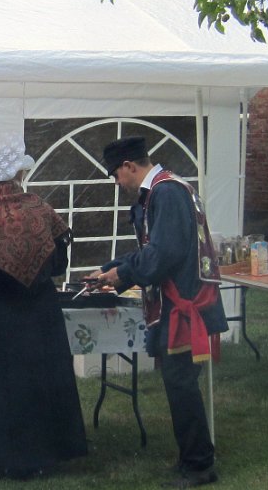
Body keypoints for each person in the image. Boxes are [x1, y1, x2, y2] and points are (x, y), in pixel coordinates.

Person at [94, 136, 228, 489]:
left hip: (184, 305)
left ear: (129, 166)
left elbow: (163, 254)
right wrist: (114, 268)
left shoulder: (166, 193)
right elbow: (152, 248)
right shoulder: (165, 189)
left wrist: (121, 274)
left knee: (181, 385)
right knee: (179, 384)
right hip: (180, 301)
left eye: (115, 175)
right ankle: (191, 458)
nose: (116, 182)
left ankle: (200, 465)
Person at [0, 133, 87, 479]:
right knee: (42, 378)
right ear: (19, 173)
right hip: (40, 307)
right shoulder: (41, 209)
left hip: (3, 308)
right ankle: (45, 455)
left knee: (2, 382)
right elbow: (59, 266)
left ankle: (2, 456)